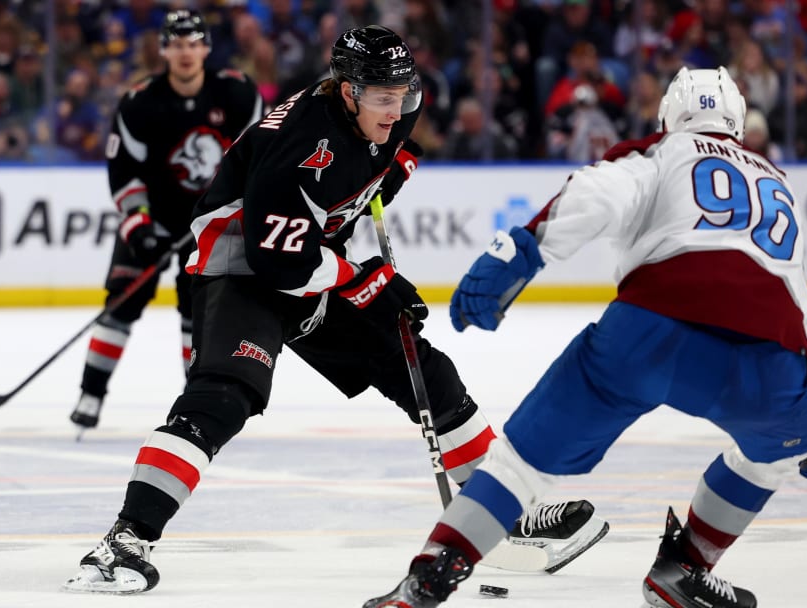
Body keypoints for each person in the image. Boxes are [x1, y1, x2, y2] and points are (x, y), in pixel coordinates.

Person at [61, 24, 607, 595]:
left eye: (404, 96)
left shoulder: (389, 110)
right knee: (224, 394)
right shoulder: (296, 147)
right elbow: (278, 266)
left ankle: (502, 514)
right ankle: (122, 542)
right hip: (241, 268)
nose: (397, 111)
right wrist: (364, 279)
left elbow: (372, 172)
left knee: (424, 368)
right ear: (347, 91)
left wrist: (387, 180)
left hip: (305, 260)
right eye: (383, 99)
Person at [365, 66, 807, 608]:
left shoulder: (662, 152)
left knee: (522, 466)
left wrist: (522, 252)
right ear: (738, 123)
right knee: (771, 456)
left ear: (669, 116)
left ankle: (427, 578)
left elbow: (595, 194)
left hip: (649, 333)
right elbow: (798, 301)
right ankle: (686, 567)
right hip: (770, 364)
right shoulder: (776, 183)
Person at [69, 9, 264, 431]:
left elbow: (258, 161)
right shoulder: (140, 102)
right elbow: (123, 169)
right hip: (153, 220)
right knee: (120, 304)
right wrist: (138, 224)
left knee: (199, 315)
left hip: (212, 224)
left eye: (194, 43)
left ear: (207, 48)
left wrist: (233, 212)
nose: (186, 52)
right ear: (163, 50)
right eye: (177, 44)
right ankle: (91, 392)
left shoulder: (238, 94)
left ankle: (193, 401)